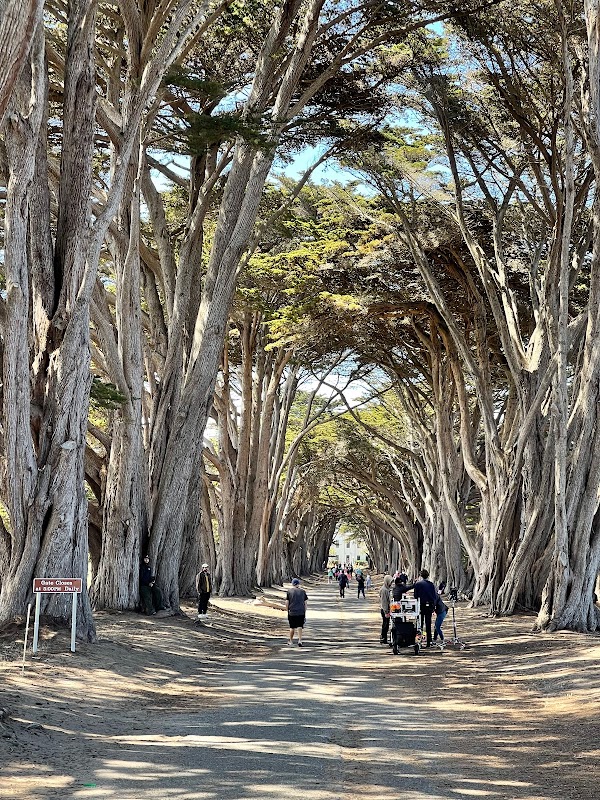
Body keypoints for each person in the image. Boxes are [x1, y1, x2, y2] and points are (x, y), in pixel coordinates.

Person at [413, 569, 437, 647]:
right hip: (429, 605)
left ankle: (418, 641)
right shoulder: (431, 584)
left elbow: (415, 596)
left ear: (421, 576)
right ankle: (429, 641)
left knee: (420, 624)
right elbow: (434, 597)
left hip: (420, 605)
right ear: (428, 576)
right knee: (428, 624)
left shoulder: (418, 584)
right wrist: (433, 607)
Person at [286, 578, 308, 646]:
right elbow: (305, 603)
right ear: (298, 584)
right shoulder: (303, 592)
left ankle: (291, 641)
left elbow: (287, 602)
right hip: (301, 612)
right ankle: (300, 640)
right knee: (300, 626)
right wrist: (304, 611)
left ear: (292, 584)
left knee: (292, 627)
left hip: (292, 612)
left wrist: (287, 610)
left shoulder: (289, 592)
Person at [379, 575, 393, 644]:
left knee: (386, 624)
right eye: (390, 582)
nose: (391, 584)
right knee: (385, 625)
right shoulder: (384, 590)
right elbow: (384, 602)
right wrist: (386, 612)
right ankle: (383, 638)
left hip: (386, 609)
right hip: (385, 610)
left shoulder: (387, 589)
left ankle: (384, 638)